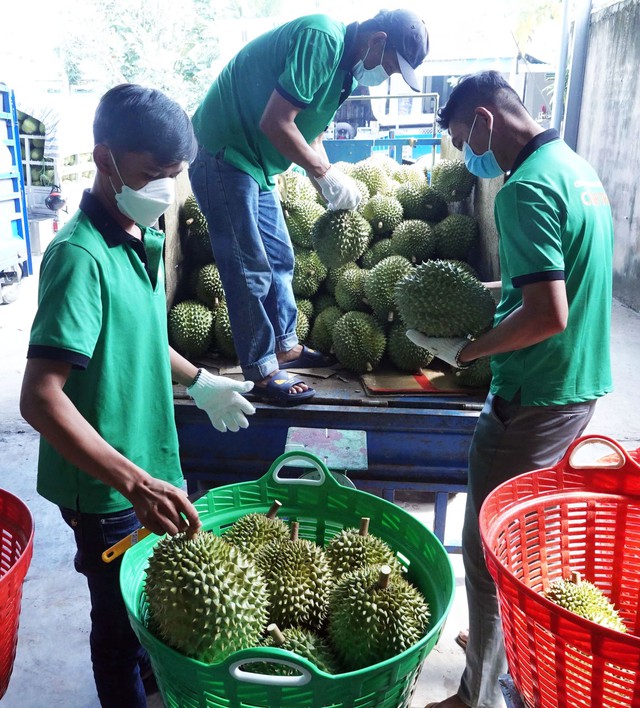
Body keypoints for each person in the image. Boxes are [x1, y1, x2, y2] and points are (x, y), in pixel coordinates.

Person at [19, 84, 256, 708]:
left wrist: (198, 381)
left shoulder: (142, 238)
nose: (164, 191)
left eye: (174, 177)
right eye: (154, 174)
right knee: (118, 626)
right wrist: (134, 485)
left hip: (151, 461)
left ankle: (157, 689)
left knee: (151, 608)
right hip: (105, 488)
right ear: (105, 159)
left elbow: (142, 336)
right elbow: (40, 398)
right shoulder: (79, 256)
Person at [407, 71, 614, 708]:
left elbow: (548, 313)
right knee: (526, 536)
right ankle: (501, 646)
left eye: (466, 137)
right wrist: (488, 295)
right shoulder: (574, 168)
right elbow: (564, 277)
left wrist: (467, 350)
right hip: (578, 382)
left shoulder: (521, 191)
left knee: (487, 544)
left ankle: (476, 695)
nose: (472, 155)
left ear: (487, 121)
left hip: (536, 392)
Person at [189, 9, 429, 405]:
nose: (385, 75)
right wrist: (323, 173)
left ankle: (285, 345)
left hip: (258, 164)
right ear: (377, 40)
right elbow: (276, 121)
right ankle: (261, 369)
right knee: (248, 267)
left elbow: (309, 130)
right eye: (389, 66)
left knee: (281, 258)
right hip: (224, 152)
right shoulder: (322, 39)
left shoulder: (345, 73)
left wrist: (326, 172)